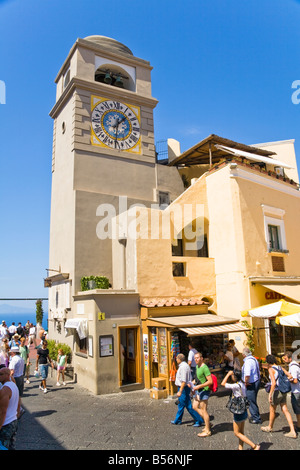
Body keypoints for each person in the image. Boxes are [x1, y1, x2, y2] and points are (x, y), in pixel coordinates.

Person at [221, 369, 260, 450]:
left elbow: (222, 383)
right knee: (241, 432)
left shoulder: (235, 386)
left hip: (238, 411)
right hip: (243, 409)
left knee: (236, 433)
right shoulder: (242, 384)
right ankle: (240, 448)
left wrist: (228, 374)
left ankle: (254, 446)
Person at [261, 354, 297, 438]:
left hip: (277, 391)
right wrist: (284, 382)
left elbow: (273, 383)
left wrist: (270, 394)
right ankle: (292, 431)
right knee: (285, 410)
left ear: (268, 362)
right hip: (283, 391)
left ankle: (270, 427)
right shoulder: (280, 367)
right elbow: (290, 376)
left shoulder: (271, 369)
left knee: (272, 409)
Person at [171, 353, 204, 427]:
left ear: (179, 359)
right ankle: (178, 420)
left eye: (176, 359)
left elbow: (183, 381)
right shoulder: (185, 366)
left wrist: (180, 391)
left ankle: (198, 420)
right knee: (181, 405)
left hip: (183, 388)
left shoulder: (183, 367)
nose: (176, 360)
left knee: (188, 405)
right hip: (184, 388)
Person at [191, 352, 213, 437]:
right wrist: (192, 383)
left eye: (197, 358)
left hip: (204, 390)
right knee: (195, 406)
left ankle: (207, 431)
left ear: (201, 358)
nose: (196, 359)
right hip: (198, 390)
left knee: (204, 410)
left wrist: (199, 386)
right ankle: (207, 423)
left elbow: (210, 381)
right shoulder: (197, 366)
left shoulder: (205, 368)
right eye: (195, 358)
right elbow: (198, 379)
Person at [0, 367, 20, 450]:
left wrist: (0, 425)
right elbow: (19, 401)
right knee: (11, 446)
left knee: (4, 447)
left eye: (1, 374)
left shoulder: (5, 389)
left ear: (8, 375)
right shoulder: (13, 385)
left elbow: (2, 411)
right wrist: (17, 415)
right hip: (13, 421)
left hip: (6, 423)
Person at [241, 347, 261, 424]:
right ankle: (255, 415)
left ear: (244, 354)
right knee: (253, 399)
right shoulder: (253, 359)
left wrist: (246, 382)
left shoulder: (248, 362)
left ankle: (256, 418)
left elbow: (247, 374)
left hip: (251, 383)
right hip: (256, 381)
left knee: (251, 400)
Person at [282, 351, 300, 431]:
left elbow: (295, 380)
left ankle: (299, 425)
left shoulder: (293, 367)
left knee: (297, 409)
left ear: (290, 358)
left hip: (296, 391)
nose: (284, 360)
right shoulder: (294, 365)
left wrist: (288, 380)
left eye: (285, 358)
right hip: (297, 390)